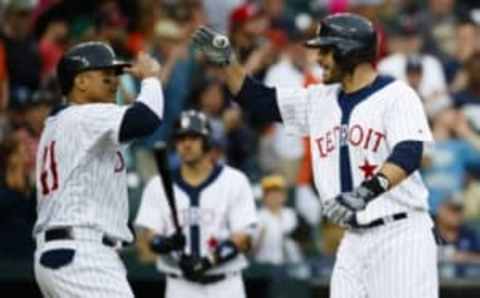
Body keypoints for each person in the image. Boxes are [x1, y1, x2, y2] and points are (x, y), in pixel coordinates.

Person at [192, 12, 438, 298]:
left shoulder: (397, 95)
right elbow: (257, 100)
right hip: (354, 239)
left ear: (349, 51)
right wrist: (227, 62)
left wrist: (367, 191)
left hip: (401, 234)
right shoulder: (319, 99)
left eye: (326, 50)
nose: (318, 58)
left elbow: (409, 153)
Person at [33, 41, 164, 298]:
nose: (115, 82)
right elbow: (146, 119)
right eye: (106, 77)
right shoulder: (84, 116)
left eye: (116, 75)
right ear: (81, 82)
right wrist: (150, 80)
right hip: (83, 253)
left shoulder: (65, 121)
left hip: (70, 251)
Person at [134, 110, 258, 298]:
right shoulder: (157, 185)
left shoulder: (235, 180)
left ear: (207, 142)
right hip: (180, 285)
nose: (186, 144)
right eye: (181, 138)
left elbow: (244, 238)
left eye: (193, 137)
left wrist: (208, 261)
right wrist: (165, 243)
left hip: (225, 285)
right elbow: (148, 237)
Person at [253, 174, 303, 265]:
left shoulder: (291, 215)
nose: (274, 196)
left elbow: (302, 244)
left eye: (277, 192)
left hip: (292, 266)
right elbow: (250, 251)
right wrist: (259, 236)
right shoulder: (257, 217)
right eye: (270, 193)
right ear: (264, 197)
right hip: (266, 268)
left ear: (284, 196)